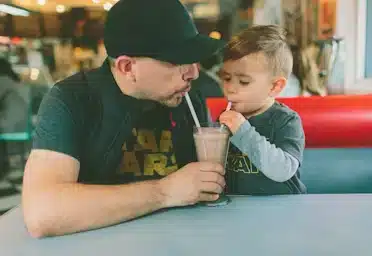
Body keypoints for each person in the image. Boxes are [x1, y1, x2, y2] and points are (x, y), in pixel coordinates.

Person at [22, 0, 225, 238]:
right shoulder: (72, 100)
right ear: (128, 67)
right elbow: (43, 212)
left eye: (193, 59)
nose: (193, 73)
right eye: (177, 61)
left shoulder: (189, 100)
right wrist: (164, 192)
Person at [218, 25, 306, 195]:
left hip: (283, 210)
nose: (230, 88)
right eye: (226, 78)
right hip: (238, 211)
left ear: (275, 86)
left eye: (243, 82)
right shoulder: (225, 118)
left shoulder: (286, 121)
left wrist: (243, 131)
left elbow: (284, 170)